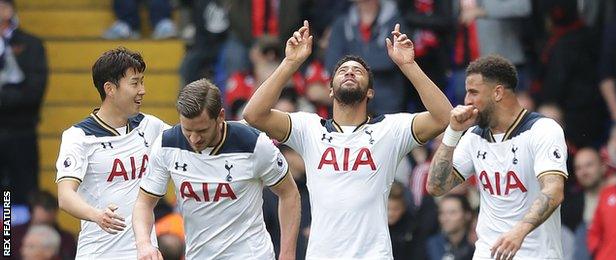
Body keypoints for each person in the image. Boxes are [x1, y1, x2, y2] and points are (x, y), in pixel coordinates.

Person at [243, 21, 452, 259]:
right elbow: (253, 114)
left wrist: (408, 65)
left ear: (370, 92)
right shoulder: (309, 128)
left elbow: (444, 117)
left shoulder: (390, 129)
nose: (350, 72)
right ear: (330, 89)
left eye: (358, 71)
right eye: (342, 71)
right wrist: (290, 63)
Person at [133, 79, 301, 259]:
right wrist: (144, 244)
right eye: (187, 130)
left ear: (220, 116)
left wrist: (287, 255)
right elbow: (144, 203)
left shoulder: (253, 144)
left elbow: (290, 194)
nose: (194, 139)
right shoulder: (167, 144)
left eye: (202, 130)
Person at [427, 55, 567, 259]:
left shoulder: (542, 129)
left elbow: (554, 190)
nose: (467, 101)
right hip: (487, 252)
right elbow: (436, 187)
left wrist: (520, 231)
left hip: (535, 254)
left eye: (473, 92)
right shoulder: (474, 136)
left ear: (498, 92)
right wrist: (453, 133)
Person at [55, 47, 169, 259]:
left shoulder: (150, 126)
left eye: (142, 82)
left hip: (144, 252)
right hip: (99, 253)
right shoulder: (79, 136)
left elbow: (191, 142)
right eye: (135, 83)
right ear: (110, 89)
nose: (142, 90)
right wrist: (96, 215)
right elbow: (65, 196)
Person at [0, 0, 48, 205]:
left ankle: (16, 237)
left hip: (21, 132)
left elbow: (34, 91)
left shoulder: (31, 44)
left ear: (10, 9)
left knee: (22, 194)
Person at [11, 191, 76, 260]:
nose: (23, 252)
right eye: (40, 223)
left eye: (47, 224)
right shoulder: (13, 235)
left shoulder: (67, 239)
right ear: (31, 213)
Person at [426, 194, 475, 260]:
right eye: (441, 213)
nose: (445, 218)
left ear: (467, 215)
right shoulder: (433, 244)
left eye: (452, 212)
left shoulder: (475, 244)